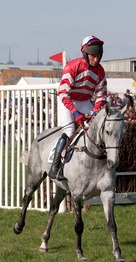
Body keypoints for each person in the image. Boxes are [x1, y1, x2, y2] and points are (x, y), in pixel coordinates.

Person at [49, 35, 107, 180]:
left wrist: (95, 112)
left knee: (97, 128)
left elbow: (101, 96)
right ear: (85, 54)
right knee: (69, 132)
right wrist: (75, 113)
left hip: (85, 102)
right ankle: (55, 166)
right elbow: (63, 93)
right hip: (67, 101)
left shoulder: (100, 71)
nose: (96, 60)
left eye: (98, 56)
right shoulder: (72, 66)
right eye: (93, 56)